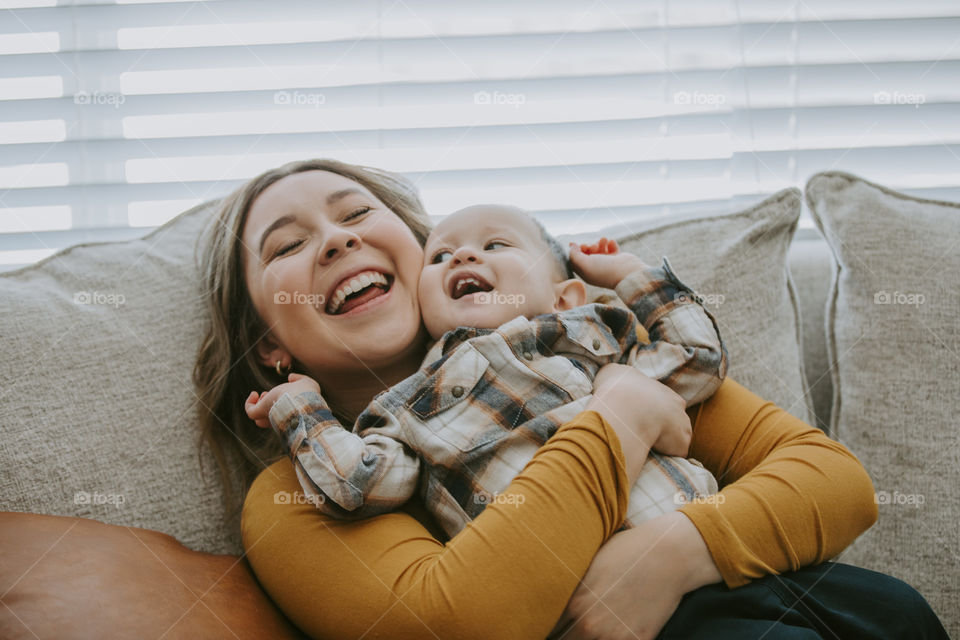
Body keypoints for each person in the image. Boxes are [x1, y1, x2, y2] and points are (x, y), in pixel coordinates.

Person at [194, 158, 947, 639]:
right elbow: (465, 620)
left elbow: (835, 481)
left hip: (760, 590)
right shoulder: (298, 494)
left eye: (357, 215)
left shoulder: (573, 346)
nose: (334, 241)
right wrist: (617, 414)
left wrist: (670, 554)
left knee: (899, 613)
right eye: (288, 245)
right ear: (270, 346)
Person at [245, 203, 726, 537]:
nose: (463, 255)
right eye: (439, 257)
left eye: (496, 244)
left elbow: (700, 360)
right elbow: (360, 484)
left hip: (726, 567)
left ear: (563, 298)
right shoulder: (407, 409)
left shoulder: (593, 343)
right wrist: (301, 406)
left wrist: (630, 275)